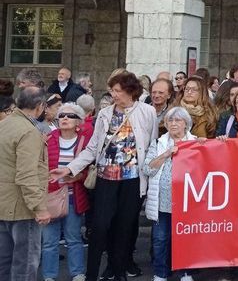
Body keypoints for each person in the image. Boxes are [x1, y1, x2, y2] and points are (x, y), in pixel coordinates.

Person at [51, 71, 159, 281]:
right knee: (99, 227)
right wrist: (70, 168)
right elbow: (93, 148)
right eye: (112, 90)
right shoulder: (105, 113)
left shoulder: (147, 112)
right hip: (105, 178)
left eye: (117, 91)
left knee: (124, 227)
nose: (114, 95)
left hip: (133, 180)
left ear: (130, 91)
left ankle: (119, 272)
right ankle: (92, 274)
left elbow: (151, 145)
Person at [0, 86, 50, 280]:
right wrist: (39, 207)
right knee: (25, 265)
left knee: (4, 264)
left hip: (4, 205)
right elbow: (26, 174)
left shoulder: (4, 125)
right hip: (23, 209)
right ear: (40, 106)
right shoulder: (28, 131)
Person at [144, 107, 199, 281]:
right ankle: (160, 273)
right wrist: (167, 154)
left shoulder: (195, 143)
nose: (173, 124)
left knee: (185, 239)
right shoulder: (158, 143)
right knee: (160, 239)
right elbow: (147, 169)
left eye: (178, 120)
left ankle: (185, 272)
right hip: (162, 201)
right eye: (170, 121)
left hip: (186, 202)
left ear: (186, 124)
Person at [42, 103, 92, 281]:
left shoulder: (85, 142)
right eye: (61, 115)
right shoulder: (47, 138)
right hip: (51, 196)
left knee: (74, 238)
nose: (64, 118)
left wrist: (77, 177)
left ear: (78, 121)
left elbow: (89, 168)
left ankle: (77, 273)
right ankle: (49, 276)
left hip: (74, 197)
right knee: (49, 241)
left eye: (70, 116)